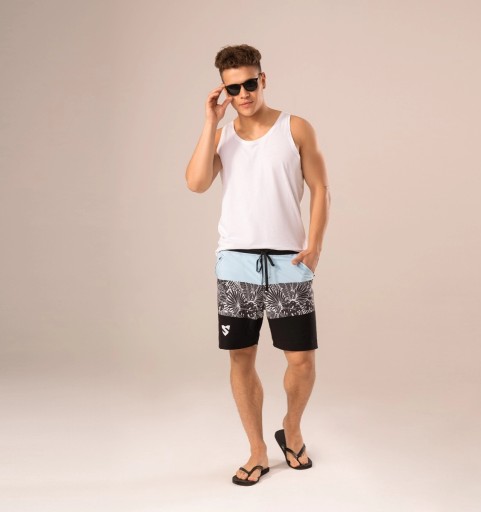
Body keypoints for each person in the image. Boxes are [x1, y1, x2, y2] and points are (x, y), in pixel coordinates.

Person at [185, 44, 330, 486]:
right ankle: (257, 450)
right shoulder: (222, 137)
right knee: (241, 357)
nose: (243, 94)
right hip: (236, 265)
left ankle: (292, 428)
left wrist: (314, 245)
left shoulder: (295, 128)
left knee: (301, 360)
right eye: (233, 88)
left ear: (263, 80)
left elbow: (321, 188)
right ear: (224, 91)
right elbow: (196, 183)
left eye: (250, 83)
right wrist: (210, 122)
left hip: (288, 262)